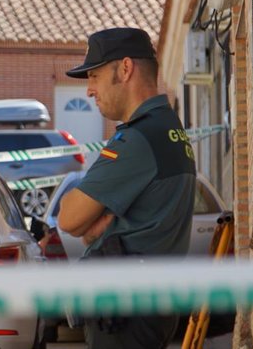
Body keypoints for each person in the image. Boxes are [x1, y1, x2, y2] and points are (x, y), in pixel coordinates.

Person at [58, 28, 196, 349]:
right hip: (151, 305)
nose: (90, 90)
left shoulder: (137, 138)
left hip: (125, 309)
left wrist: (96, 218)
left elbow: (68, 218)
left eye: (94, 76)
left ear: (125, 68)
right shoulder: (169, 128)